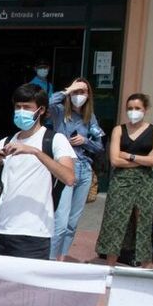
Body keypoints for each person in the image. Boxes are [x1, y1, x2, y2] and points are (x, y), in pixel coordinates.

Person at [0, 84, 76, 260]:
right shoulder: (6, 142)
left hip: (34, 233)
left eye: (27, 107)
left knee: (27, 288)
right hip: (1, 230)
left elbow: (69, 177)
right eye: (18, 107)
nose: (21, 112)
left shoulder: (54, 140)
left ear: (41, 110)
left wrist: (35, 152)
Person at [95, 94, 153, 267]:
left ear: (145, 109)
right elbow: (115, 160)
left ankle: (146, 266)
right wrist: (143, 160)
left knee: (144, 223)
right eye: (130, 108)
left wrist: (130, 156)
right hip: (120, 181)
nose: (133, 112)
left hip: (144, 182)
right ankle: (109, 266)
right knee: (115, 222)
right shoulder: (119, 129)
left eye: (137, 108)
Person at [48, 77, 105, 260]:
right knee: (61, 220)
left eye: (83, 92)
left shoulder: (90, 117)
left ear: (88, 95)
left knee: (72, 222)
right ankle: (50, 258)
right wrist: (68, 89)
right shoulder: (59, 112)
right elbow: (49, 101)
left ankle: (62, 257)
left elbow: (100, 146)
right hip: (65, 168)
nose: (79, 95)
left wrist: (85, 141)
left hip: (84, 169)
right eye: (76, 92)